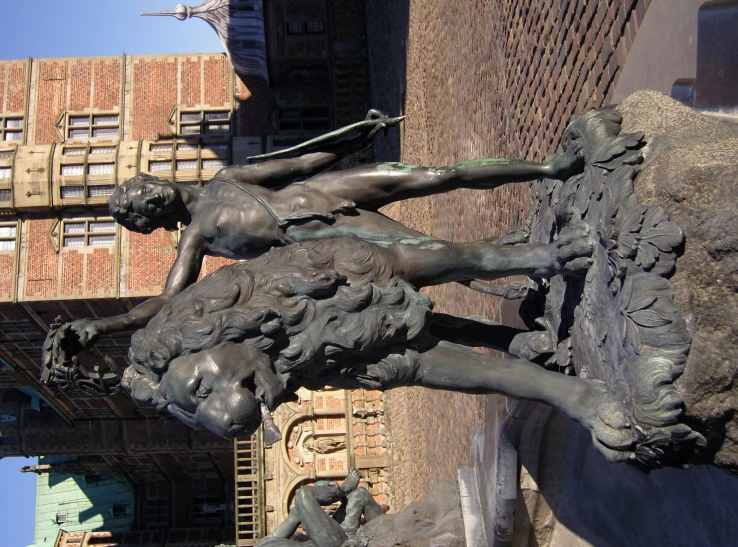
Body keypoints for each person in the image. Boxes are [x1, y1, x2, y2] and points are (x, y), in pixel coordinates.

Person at [51, 110, 588, 353]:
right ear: (147, 221)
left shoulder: (225, 177)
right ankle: (524, 267)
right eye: (133, 203)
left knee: (435, 175)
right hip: (329, 239)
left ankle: (550, 168)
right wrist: (110, 326)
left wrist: (355, 140)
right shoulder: (198, 239)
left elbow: (300, 164)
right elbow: (164, 301)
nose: (140, 191)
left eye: (134, 186)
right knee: (438, 255)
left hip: (333, 191)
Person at [114, 236, 636, 463]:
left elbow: (445, 259)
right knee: (441, 367)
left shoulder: (270, 290)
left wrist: (535, 256)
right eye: (201, 412)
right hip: (332, 354)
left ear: (210, 337)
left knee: (443, 261)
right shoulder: (280, 371)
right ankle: (570, 393)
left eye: (202, 389)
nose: (218, 416)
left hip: (335, 278)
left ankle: (533, 255)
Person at [257, 468, 383, 546]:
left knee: (360, 496)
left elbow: (295, 516)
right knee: (303, 494)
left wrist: (320, 488)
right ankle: (343, 490)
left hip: (335, 538)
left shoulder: (266, 543)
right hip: (329, 544)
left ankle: (386, 533)